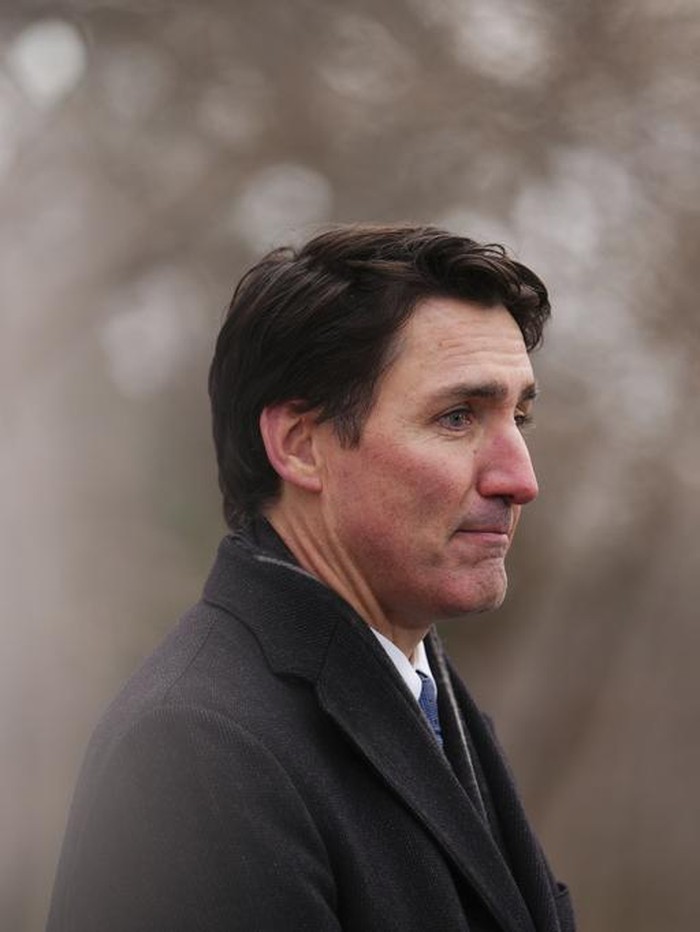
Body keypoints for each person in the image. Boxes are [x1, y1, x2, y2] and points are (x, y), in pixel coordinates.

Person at [46, 224, 575, 932]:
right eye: (457, 417)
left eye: (520, 416)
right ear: (300, 446)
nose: (521, 478)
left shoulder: (423, 691)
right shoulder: (198, 752)